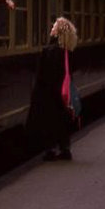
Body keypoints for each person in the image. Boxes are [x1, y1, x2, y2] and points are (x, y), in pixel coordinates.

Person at [26, 16, 79, 161]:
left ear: (57, 32)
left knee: (49, 122)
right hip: (64, 92)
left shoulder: (48, 51)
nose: (51, 29)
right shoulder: (69, 51)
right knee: (63, 120)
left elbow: (42, 75)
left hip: (48, 93)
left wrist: (36, 95)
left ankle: (50, 151)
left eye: (53, 27)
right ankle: (65, 149)